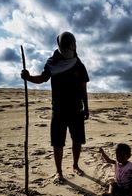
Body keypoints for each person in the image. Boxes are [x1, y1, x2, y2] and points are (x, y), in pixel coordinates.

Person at [21, 31, 89, 183]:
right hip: (58, 110)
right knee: (57, 142)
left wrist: (87, 108)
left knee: (77, 140)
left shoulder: (79, 65)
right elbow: (42, 78)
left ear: (74, 47)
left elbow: (83, 89)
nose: (68, 51)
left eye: (71, 48)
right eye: (65, 48)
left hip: (76, 109)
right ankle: (59, 172)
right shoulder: (52, 63)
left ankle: (75, 165)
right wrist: (29, 77)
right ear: (60, 47)